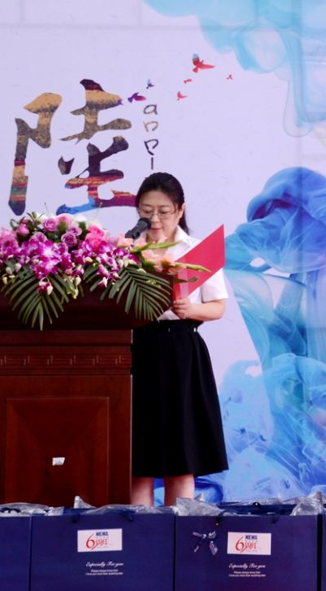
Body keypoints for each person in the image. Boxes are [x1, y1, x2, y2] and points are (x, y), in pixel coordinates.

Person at [130, 172, 229, 506]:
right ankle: (138, 528)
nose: (155, 219)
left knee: (181, 453)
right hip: (137, 351)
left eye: (164, 211)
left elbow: (218, 307)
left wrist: (190, 309)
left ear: (180, 210)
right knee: (139, 458)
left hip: (182, 352)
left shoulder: (197, 250)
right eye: (147, 211)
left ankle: (178, 528)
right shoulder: (126, 250)